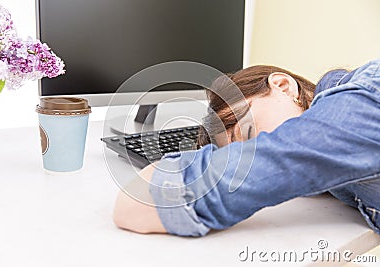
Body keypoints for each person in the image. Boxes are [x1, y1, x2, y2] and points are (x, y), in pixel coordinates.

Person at [113, 59, 380, 237]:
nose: (253, 156)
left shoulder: (360, 106)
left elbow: (137, 202)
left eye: (248, 131)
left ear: (283, 86)